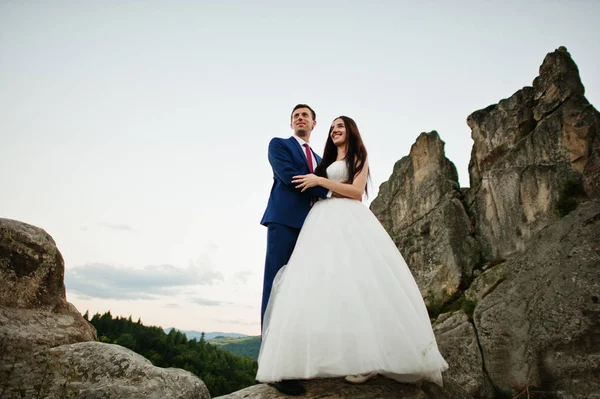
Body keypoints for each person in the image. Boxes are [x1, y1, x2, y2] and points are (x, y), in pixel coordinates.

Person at [256, 116, 448, 392]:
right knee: (322, 285)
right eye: (333, 128)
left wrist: (320, 181)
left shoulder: (359, 155)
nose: (335, 131)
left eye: (340, 127)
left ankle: (369, 358)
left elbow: (357, 193)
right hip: (321, 220)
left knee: (359, 282)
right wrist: (318, 180)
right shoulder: (324, 159)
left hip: (350, 218)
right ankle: (316, 357)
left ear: (350, 131)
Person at [259, 104, 329, 395]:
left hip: (314, 229)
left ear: (314, 123)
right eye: (296, 116)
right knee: (276, 287)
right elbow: (290, 178)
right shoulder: (279, 146)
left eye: (305, 116)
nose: (300, 119)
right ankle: (274, 366)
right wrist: (328, 189)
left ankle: (299, 360)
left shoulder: (323, 159)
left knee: (305, 293)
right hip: (285, 223)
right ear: (291, 124)